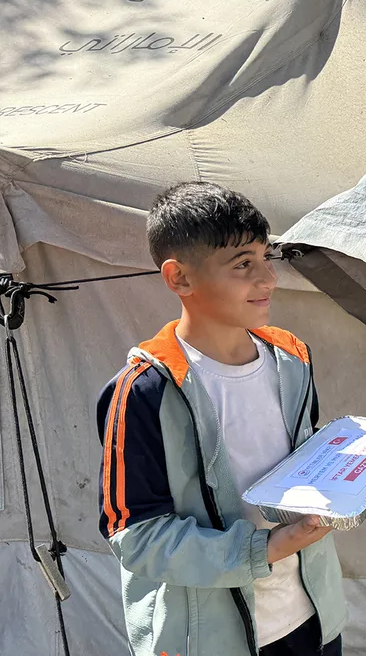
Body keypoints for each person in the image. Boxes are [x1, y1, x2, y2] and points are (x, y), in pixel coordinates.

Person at [96, 182, 346, 656]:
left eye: (266, 257)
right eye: (243, 264)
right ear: (179, 278)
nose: (268, 279)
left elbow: (309, 460)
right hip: (208, 640)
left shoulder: (293, 358)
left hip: (315, 619)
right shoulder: (143, 392)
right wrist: (267, 549)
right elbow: (138, 538)